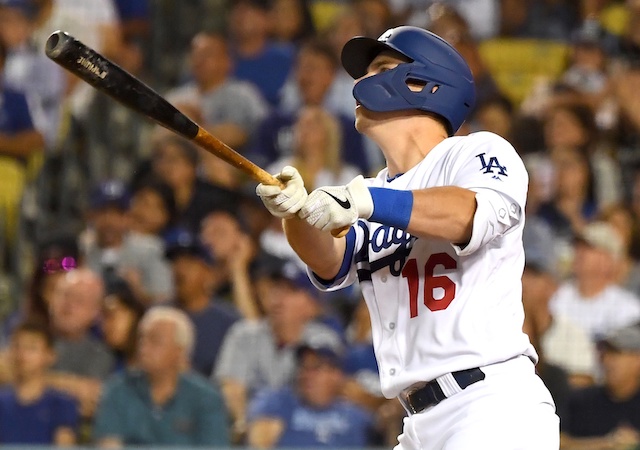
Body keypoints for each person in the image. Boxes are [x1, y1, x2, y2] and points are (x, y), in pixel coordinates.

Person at [256, 26, 559, 449]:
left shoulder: (475, 152)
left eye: (381, 67)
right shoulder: (373, 191)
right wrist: (296, 213)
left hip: (491, 406)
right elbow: (330, 261)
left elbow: (468, 214)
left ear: (424, 83)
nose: (361, 81)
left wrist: (366, 201)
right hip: (419, 421)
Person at [93, 306, 229, 446]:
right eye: (142, 339)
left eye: (154, 340)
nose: (143, 347)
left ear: (179, 351)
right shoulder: (117, 390)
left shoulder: (207, 398)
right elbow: (108, 444)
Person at [246, 332, 374, 448]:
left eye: (315, 367)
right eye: (303, 367)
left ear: (336, 374)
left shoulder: (356, 414)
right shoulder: (278, 403)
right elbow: (258, 444)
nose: (307, 375)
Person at [561, 323, 640, 450]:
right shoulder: (581, 401)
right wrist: (606, 443)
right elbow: (558, 442)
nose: (607, 361)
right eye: (605, 353)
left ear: (637, 359)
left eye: (617, 354)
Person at [0, 322, 79, 444]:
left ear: (50, 356)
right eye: (17, 346)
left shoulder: (62, 404)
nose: (22, 354)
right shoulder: (2, 402)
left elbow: (64, 443)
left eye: (31, 348)